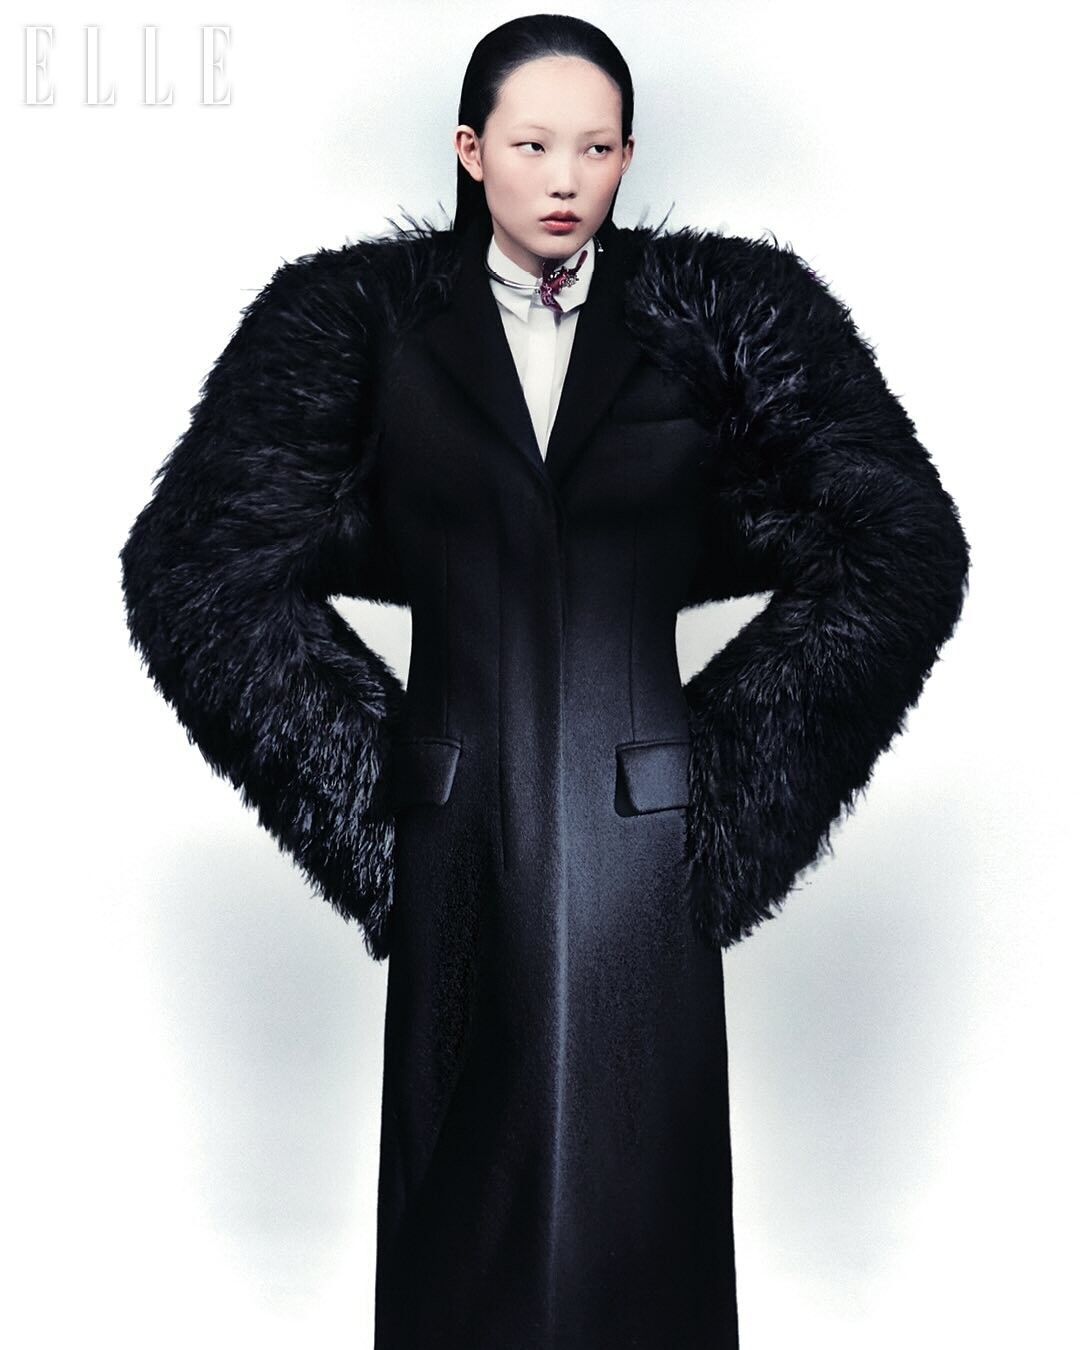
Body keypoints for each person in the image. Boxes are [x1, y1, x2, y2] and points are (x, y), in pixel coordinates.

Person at [118, 13, 970, 1349]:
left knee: (643, 1205)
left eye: (597, 147)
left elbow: (899, 545)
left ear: (627, 155)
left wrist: (733, 786)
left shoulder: (715, 321)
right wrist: (371, 795)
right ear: (471, 151)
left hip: (649, 831)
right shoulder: (366, 328)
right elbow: (197, 567)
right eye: (531, 145)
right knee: (467, 1205)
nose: (566, 178)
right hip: (456, 818)